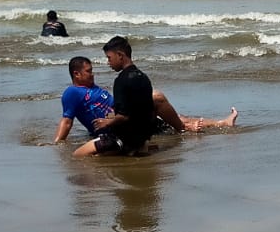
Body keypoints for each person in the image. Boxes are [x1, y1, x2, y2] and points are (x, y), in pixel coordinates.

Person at [87, 36, 237, 156]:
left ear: (120, 55)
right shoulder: (142, 76)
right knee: (180, 120)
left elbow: (124, 116)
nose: (107, 62)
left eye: (109, 58)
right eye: (89, 71)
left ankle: (213, 124)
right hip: (144, 127)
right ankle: (219, 123)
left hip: (131, 133)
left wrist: (108, 122)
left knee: (178, 119)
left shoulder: (121, 80)